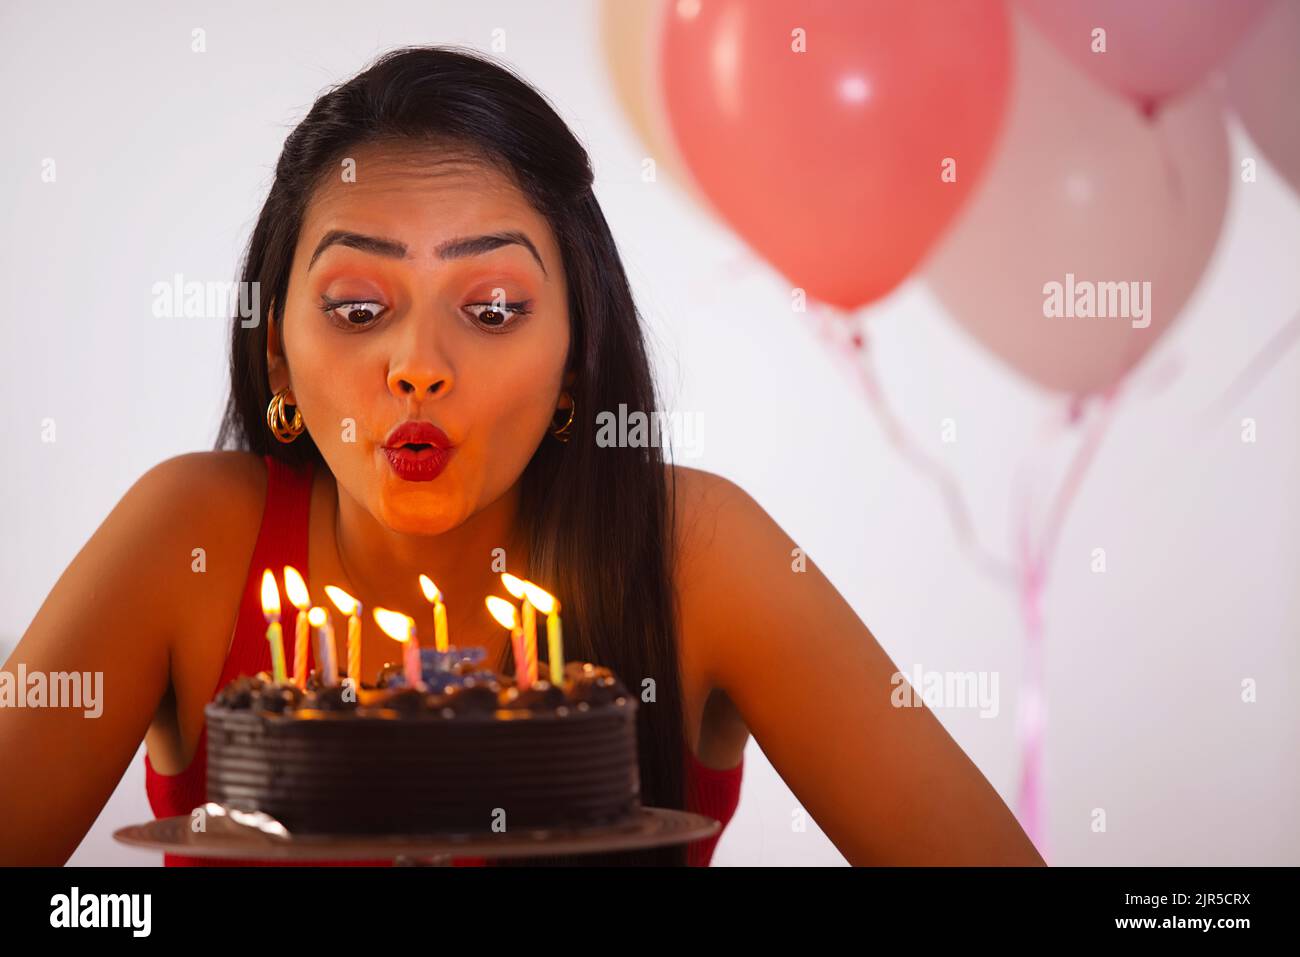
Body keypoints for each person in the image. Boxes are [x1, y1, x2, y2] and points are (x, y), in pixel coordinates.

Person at [0, 45, 1044, 867]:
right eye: (358, 308)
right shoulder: (190, 539)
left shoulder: (697, 553)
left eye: (493, 308)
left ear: (576, 359)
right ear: (278, 354)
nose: (417, 366)